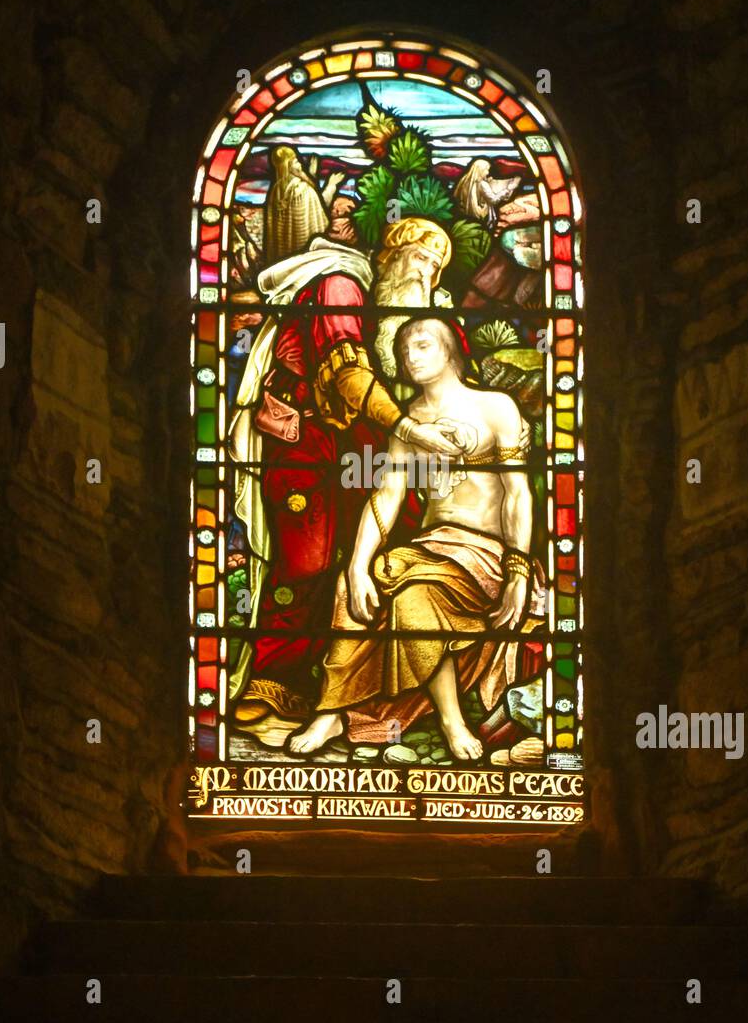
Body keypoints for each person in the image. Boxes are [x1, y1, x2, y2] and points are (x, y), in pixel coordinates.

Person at [228, 219, 462, 726]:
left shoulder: (387, 313)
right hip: (304, 442)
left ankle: (377, 686)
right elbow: (349, 376)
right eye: (420, 258)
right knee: (306, 559)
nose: (427, 275)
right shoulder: (341, 285)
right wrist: (409, 429)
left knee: (392, 540)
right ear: (389, 256)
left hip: (347, 445)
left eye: (436, 268)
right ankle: (273, 682)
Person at [287, 317, 545, 762]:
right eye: (405, 350)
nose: (411, 357)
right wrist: (358, 564)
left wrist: (518, 573)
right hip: (432, 548)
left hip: (485, 555)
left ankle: (451, 721)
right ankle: (333, 711)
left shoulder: (494, 407)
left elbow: (517, 494)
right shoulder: (408, 425)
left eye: (423, 345)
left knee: (414, 598)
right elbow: (386, 497)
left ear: (451, 352)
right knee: (356, 587)